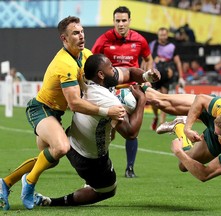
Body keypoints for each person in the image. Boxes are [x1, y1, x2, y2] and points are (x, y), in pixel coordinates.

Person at [0, 16, 127, 211]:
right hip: (41, 109)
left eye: (82, 31)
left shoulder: (85, 55)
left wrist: (137, 80)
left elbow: (96, 84)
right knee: (61, 147)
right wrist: (107, 110)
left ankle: (5, 183)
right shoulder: (64, 64)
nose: (81, 36)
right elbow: (75, 103)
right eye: (75, 33)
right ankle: (29, 183)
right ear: (64, 39)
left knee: (48, 159)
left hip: (55, 113)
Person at [33, 53, 148, 207]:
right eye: (111, 68)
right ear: (101, 74)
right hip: (88, 158)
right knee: (108, 190)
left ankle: (88, 181)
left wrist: (147, 76)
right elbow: (131, 133)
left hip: (71, 140)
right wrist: (141, 101)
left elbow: (129, 72)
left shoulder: (86, 82)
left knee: (104, 134)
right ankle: (51, 202)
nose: (114, 70)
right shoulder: (107, 100)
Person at [91, 6, 153, 178]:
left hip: (131, 91)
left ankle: (130, 168)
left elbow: (148, 58)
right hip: (109, 92)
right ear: (113, 22)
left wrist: (146, 77)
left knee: (132, 131)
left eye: (124, 20)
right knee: (110, 133)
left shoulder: (140, 40)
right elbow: (92, 62)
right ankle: (101, 161)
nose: (121, 24)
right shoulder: (103, 40)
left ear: (129, 21)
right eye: (117, 21)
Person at [155, 93, 221, 182]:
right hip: (218, 116)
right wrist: (188, 129)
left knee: (183, 165)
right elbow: (200, 98)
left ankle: (178, 126)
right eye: (214, 131)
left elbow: (204, 175)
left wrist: (179, 152)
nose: (214, 132)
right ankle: (144, 88)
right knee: (162, 102)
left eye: (217, 134)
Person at [149, 27, 184, 131]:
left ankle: (162, 122)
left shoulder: (172, 46)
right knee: (153, 99)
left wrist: (181, 77)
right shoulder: (153, 45)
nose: (163, 37)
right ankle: (156, 116)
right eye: (161, 35)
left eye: (164, 35)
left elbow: (178, 62)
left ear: (167, 35)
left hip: (167, 75)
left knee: (163, 97)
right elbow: (147, 59)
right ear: (158, 35)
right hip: (155, 74)